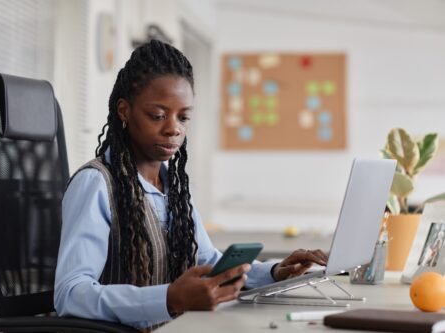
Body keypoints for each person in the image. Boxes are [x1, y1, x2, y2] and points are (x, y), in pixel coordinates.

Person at [54, 39, 328, 330]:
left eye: (183, 117)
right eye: (158, 115)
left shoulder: (173, 186)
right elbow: (71, 294)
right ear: (124, 111)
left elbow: (208, 259)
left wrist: (273, 272)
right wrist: (170, 298)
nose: (174, 128)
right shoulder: (96, 184)